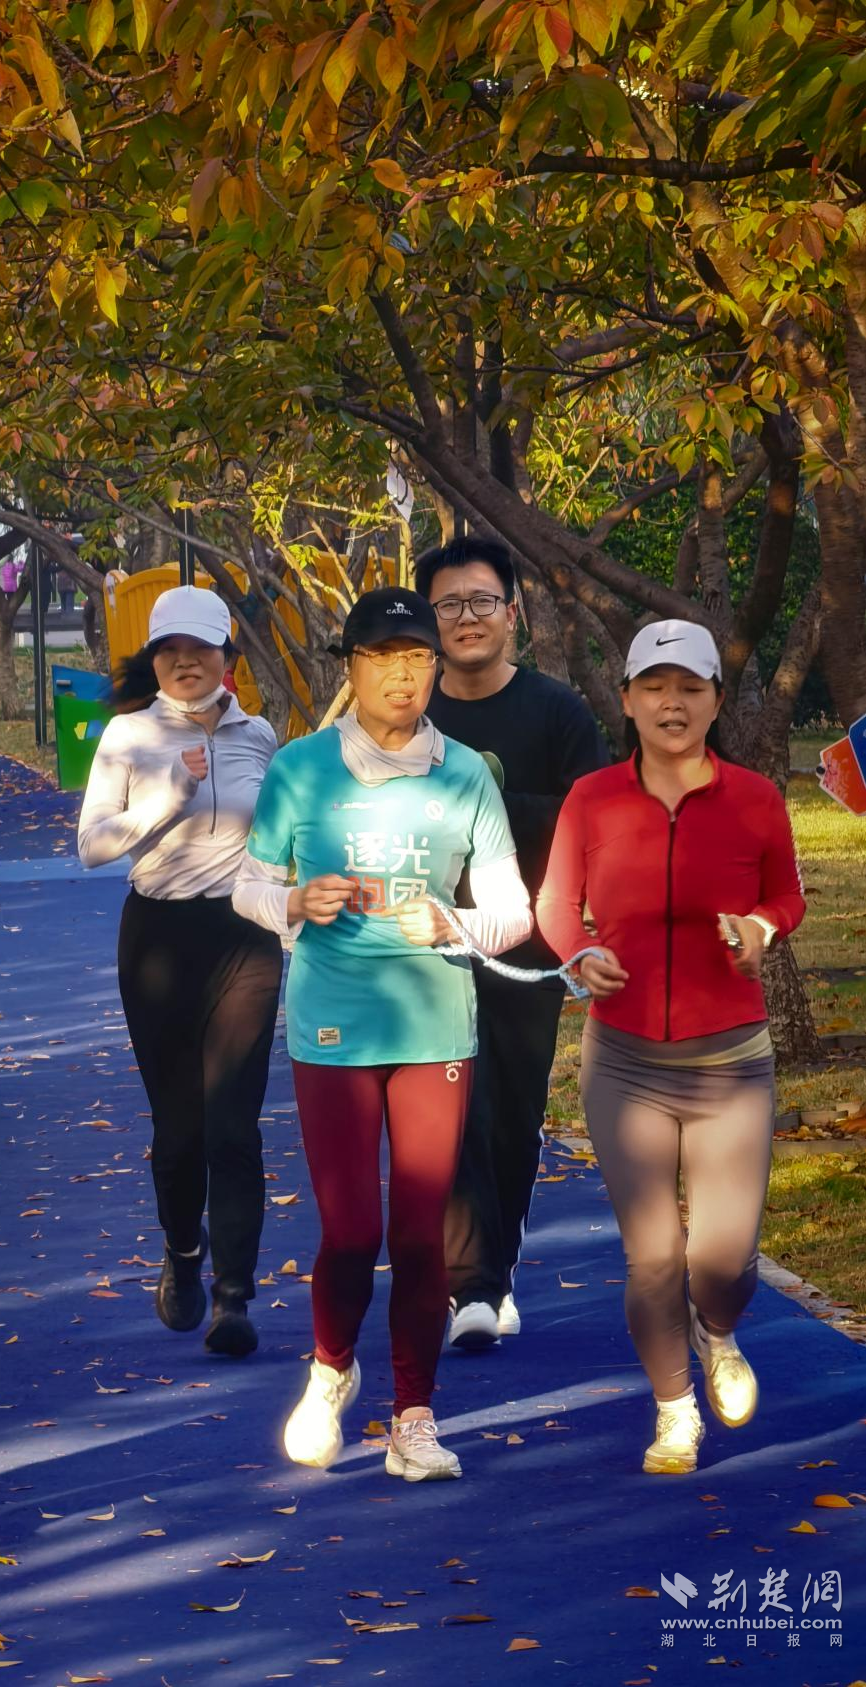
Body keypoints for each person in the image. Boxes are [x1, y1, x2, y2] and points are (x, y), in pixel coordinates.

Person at [233, 587, 532, 1481]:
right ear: (351, 667)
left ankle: (414, 1415)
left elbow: (513, 911)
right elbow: (247, 887)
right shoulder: (300, 768)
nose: (402, 676)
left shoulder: (465, 774)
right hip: (331, 1023)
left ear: (435, 667)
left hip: (435, 1027)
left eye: (416, 658)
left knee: (418, 1233)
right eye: (382, 658)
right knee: (352, 1229)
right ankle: (331, 1367)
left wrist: (454, 924)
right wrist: (293, 900)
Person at [537, 620, 805, 1475]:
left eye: (690, 687)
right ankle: (674, 1410)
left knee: (720, 1260)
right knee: (653, 1256)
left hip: (729, 1061)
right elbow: (554, 905)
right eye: (653, 687)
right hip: (624, 1062)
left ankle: (716, 1329)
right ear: (626, 700)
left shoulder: (754, 798)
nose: (671, 703)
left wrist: (760, 928)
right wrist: (579, 952)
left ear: (715, 701)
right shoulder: (591, 798)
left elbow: (787, 895)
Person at [414, 538, 610, 1350]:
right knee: (451, 1109)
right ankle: (474, 1286)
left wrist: (493, 799)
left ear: (512, 614)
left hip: (527, 939)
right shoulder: (411, 712)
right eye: (448, 604)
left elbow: (591, 815)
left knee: (513, 1114)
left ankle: (492, 1269)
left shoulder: (556, 711)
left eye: (481, 601)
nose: (466, 617)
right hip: (423, 945)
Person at [78, 586, 281, 1358]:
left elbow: (282, 832)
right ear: (154, 658)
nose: (186, 661)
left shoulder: (259, 734)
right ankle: (182, 1250)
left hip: (243, 936)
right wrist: (166, 795)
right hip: (158, 938)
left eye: (201, 648)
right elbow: (93, 846)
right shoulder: (128, 735)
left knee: (233, 1123)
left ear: (228, 656)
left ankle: (233, 1295)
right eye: (171, 650)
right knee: (179, 1130)